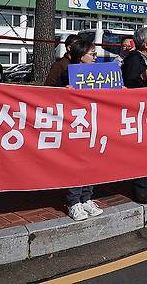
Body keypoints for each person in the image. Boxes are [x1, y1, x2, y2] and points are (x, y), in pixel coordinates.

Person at [47, 39, 104, 220]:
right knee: (77, 164)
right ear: (80, 57)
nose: (95, 57)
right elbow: (46, 92)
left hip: (94, 123)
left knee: (92, 163)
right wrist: (62, 91)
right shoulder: (65, 71)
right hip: (75, 125)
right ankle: (73, 202)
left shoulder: (101, 73)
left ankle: (87, 197)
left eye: (95, 54)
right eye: (92, 54)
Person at [121, 27, 147, 204]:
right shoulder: (133, 59)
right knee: (141, 153)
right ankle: (140, 191)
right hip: (138, 112)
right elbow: (128, 83)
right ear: (146, 44)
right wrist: (141, 76)